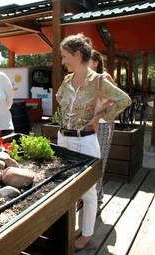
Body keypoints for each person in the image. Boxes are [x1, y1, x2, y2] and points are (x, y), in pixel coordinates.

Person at [56, 34, 131, 251]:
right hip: (63, 140)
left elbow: (123, 100)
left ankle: (86, 234)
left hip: (85, 142)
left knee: (88, 192)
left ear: (78, 55)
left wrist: (99, 117)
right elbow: (61, 98)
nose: (62, 61)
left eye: (65, 56)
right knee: (64, 186)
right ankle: (68, 227)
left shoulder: (99, 81)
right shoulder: (67, 80)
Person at [89, 50, 116, 204]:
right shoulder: (86, 80)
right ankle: (94, 194)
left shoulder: (105, 78)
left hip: (103, 126)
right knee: (91, 160)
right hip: (89, 125)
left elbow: (115, 100)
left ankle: (95, 196)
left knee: (99, 161)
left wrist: (100, 113)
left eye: (88, 60)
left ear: (95, 63)